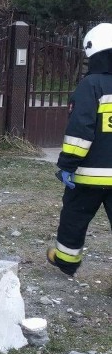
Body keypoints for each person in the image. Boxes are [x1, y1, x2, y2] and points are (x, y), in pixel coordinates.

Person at [47, 23, 112, 276]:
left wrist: (66, 165)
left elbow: (80, 132)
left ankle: (66, 261)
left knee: (74, 218)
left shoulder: (90, 86)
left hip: (88, 177)